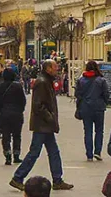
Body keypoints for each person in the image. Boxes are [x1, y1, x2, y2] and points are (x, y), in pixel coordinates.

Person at [9, 59, 74, 191]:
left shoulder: (46, 81)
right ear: (48, 69)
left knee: (53, 152)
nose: (57, 70)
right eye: (55, 68)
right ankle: (18, 177)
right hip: (42, 125)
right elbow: (38, 105)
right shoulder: (43, 82)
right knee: (35, 152)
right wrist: (50, 118)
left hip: (45, 125)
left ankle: (57, 179)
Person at [76, 61, 108, 162]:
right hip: (99, 108)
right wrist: (103, 103)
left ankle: (89, 154)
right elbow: (106, 94)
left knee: (88, 131)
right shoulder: (101, 80)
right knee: (99, 131)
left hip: (86, 108)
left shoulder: (81, 80)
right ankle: (97, 152)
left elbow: (78, 94)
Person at [0, 67, 26, 165]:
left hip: (4, 114)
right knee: (17, 135)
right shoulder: (18, 86)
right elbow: (23, 101)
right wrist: (20, 110)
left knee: (6, 136)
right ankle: (16, 155)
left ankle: (7, 155)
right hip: (17, 114)